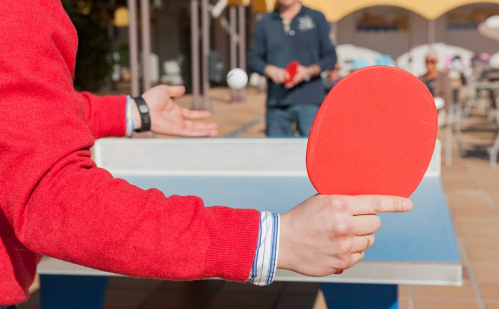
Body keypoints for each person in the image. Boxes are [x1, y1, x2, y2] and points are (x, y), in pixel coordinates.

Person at [0, 1, 413, 307]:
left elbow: (23, 113)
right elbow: (51, 198)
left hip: (307, 99)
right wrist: (272, 240)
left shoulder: (316, 20)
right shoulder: (18, 12)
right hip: (276, 102)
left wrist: (131, 111)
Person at [248, 0, 337, 137]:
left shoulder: (316, 17)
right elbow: (253, 59)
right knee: (277, 155)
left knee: (311, 153)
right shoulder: (265, 22)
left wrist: (308, 71)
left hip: (310, 102)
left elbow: (330, 58)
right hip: (277, 103)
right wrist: (271, 71)